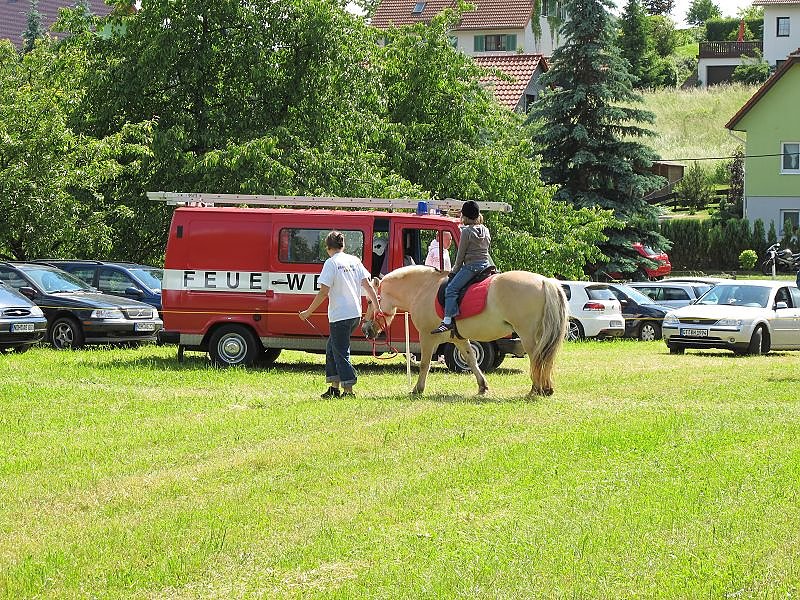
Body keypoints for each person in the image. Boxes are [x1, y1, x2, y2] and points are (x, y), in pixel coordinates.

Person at [299, 231, 380, 398]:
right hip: (355, 314)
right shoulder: (354, 260)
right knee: (332, 348)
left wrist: (308, 312)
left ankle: (348, 390)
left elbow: (323, 292)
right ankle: (334, 388)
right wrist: (377, 307)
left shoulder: (331, 263)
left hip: (340, 315)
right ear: (343, 246)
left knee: (341, 352)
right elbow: (368, 285)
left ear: (327, 247)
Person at [431, 201, 491, 334]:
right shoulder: (485, 230)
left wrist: (454, 272)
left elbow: (460, 256)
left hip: (471, 267)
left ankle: (448, 320)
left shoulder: (466, 232)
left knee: (451, 289)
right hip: (486, 265)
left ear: (465, 216)